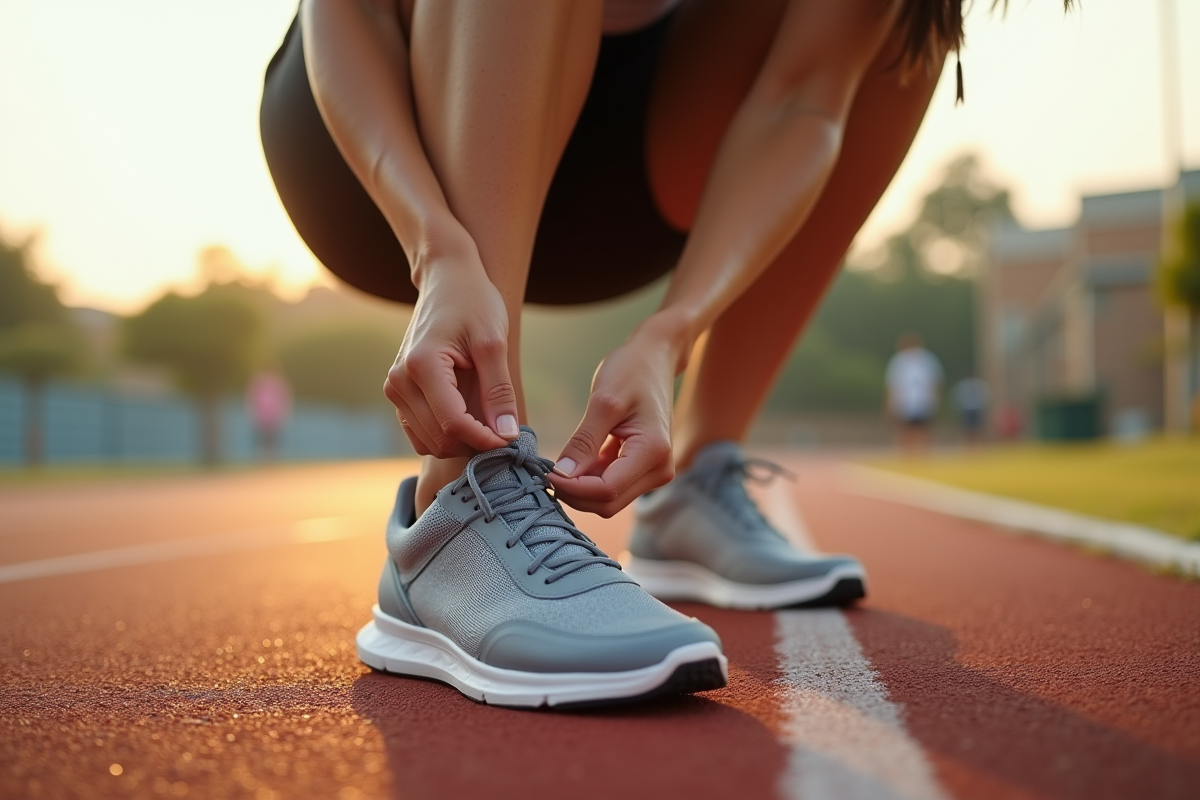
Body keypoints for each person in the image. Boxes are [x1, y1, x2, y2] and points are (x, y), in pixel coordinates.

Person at [260, 0, 973, 707]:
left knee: (912, 28)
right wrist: (436, 248)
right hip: (379, 139)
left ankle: (696, 486)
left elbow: (802, 102)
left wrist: (673, 332)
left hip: (632, 180)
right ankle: (457, 495)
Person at [885, 332, 943, 455]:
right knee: (905, 430)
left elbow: (935, 382)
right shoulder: (898, 361)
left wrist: (935, 400)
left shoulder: (928, 360)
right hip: (904, 402)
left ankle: (923, 455)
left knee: (923, 429)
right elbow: (893, 385)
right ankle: (907, 456)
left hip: (923, 401)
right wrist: (891, 404)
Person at [953, 375, 989, 448]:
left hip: (976, 409)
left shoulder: (978, 384)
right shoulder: (964, 384)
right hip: (967, 409)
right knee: (967, 429)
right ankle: (968, 445)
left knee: (977, 428)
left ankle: (978, 445)